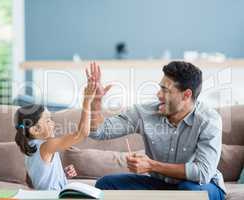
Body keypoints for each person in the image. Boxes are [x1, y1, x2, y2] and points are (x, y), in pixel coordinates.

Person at [86, 61, 225, 200]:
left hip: (201, 186)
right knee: (105, 184)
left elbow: (203, 173)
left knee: (187, 193)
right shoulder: (144, 113)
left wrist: (151, 166)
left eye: (165, 90)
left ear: (186, 95)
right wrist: (96, 101)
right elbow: (99, 132)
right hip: (160, 183)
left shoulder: (209, 120)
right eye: (160, 88)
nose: (158, 95)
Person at [14, 80, 97, 190]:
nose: (53, 123)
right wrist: (87, 102)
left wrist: (60, 175)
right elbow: (81, 134)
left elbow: (31, 181)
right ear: (35, 130)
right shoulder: (46, 146)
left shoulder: (31, 148)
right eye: (48, 120)